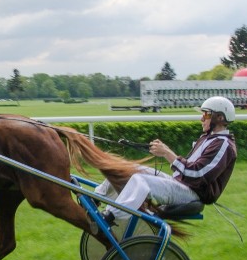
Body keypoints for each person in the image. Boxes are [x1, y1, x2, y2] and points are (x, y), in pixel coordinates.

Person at [97, 96, 238, 225]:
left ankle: (110, 217)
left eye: (206, 114)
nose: (202, 118)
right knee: (129, 168)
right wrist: (166, 153)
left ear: (219, 118)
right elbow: (190, 170)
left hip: (192, 194)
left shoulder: (223, 145)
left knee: (141, 180)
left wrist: (167, 153)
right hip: (181, 185)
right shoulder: (208, 138)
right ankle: (97, 198)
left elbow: (198, 175)